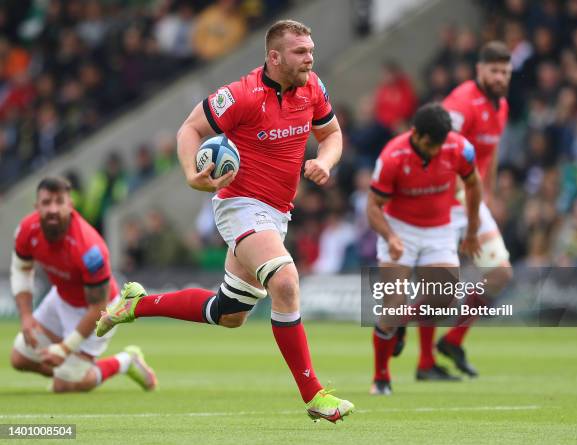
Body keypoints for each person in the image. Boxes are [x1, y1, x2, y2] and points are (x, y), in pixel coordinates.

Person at [96, 19, 354, 423]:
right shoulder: (241, 95)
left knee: (228, 312)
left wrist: (325, 160)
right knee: (285, 282)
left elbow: (333, 134)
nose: (310, 57)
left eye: (311, 49)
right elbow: (190, 129)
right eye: (301, 52)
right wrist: (191, 175)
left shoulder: (312, 86)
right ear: (274, 56)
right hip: (240, 204)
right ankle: (314, 395)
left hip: (278, 212)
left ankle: (136, 304)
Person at [412, 41, 514, 378]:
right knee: (440, 285)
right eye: (494, 71)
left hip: (473, 201)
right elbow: (440, 147)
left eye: (505, 71)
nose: (500, 77)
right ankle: (425, 361)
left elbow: (492, 151)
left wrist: (491, 193)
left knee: (499, 274)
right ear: (480, 71)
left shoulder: (501, 107)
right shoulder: (461, 102)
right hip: (445, 200)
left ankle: (453, 339)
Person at [368, 103, 482, 395]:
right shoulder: (392, 156)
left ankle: (401, 322)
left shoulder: (459, 147)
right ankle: (381, 378)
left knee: (444, 297)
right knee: (392, 303)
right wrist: (390, 237)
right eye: (430, 144)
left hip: (439, 228)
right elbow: (373, 207)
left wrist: (471, 230)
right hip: (399, 228)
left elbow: (473, 183)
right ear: (415, 134)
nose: (435, 150)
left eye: (440, 144)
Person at [10, 177, 157, 393]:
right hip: (61, 296)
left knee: (64, 385)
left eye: (59, 202)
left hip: (98, 309)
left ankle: (125, 361)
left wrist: (64, 348)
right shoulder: (27, 229)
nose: (52, 209)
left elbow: (98, 306)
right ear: (36, 207)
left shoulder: (90, 249)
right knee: (19, 358)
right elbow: (22, 269)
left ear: (70, 206)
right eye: (46, 202)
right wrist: (25, 315)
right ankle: (73, 371)